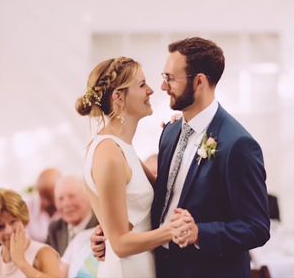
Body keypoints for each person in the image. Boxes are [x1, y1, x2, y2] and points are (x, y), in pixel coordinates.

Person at [90, 38, 270, 277]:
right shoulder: (170, 132)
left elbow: (257, 227)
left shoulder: (238, 144)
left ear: (199, 81)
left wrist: (200, 233)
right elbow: (161, 200)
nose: (163, 87)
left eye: (170, 79)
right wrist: (112, 233)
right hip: (160, 268)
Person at [76, 56, 182, 277]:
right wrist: (172, 231)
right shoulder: (109, 154)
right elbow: (120, 244)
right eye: (142, 85)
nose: (151, 90)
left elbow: (163, 193)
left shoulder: (123, 147)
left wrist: (180, 135)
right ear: (119, 97)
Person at [0, 189, 61, 278]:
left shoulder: (43, 253)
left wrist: (21, 262)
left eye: (13, 222)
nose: (8, 231)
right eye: (0, 227)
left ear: (23, 221)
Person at [47, 176, 98, 256]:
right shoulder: (55, 229)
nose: (66, 204)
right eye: (60, 199)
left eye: (72, 196)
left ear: (88, 197)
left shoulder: (102, 225)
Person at [25, 168, 61, 243]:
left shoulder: (66, 207)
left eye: (49, 197)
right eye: (41, 195)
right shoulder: (26, 209)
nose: (45, 202)